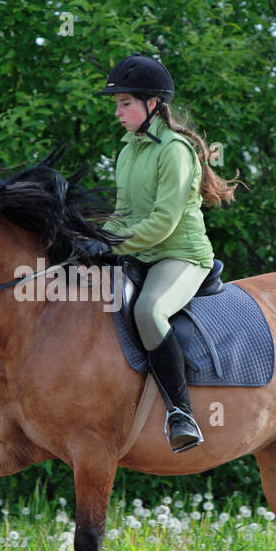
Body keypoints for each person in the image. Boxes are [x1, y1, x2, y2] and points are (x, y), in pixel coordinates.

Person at [89, 54, 240, 452]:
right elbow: (125, 215)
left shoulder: (174, 150)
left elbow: (163, 222)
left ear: (152, 104)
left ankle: (180, 413)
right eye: (117, 104)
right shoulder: (128, 150)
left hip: (180, 254)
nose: (118, 112)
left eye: (125, 104)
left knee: (148, 310)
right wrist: (93, 238)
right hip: (140, 253)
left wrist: (114, 244)